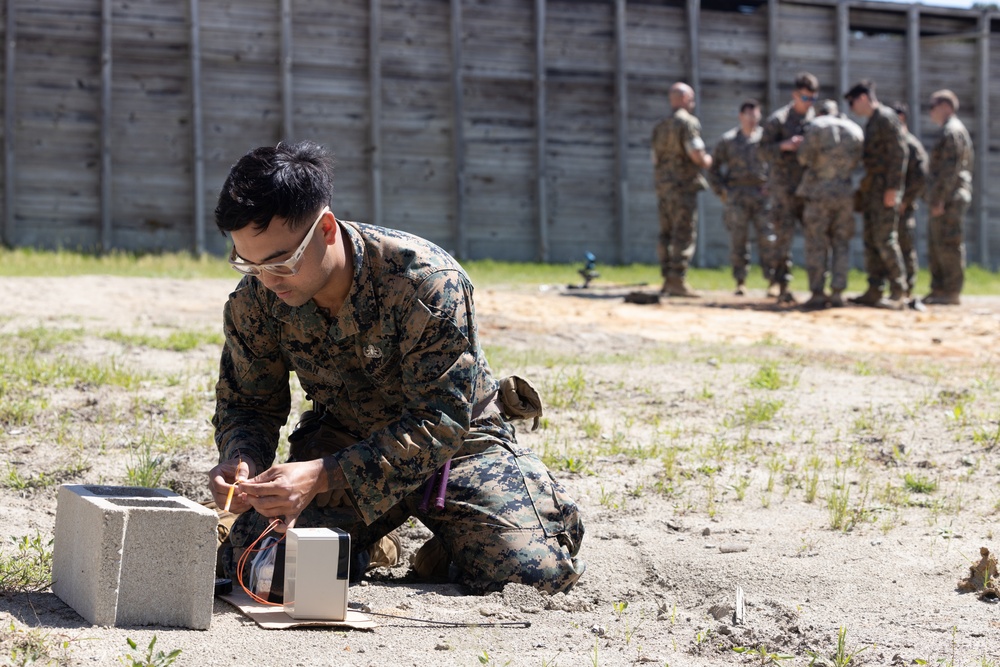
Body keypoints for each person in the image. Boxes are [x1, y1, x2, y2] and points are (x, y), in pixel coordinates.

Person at [207, 141, 585, 595]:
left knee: (531, 574)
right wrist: (242, 460)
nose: (268, 280)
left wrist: (322, 475)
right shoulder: (256, 300)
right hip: (347, 438)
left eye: (281, 262)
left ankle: (501, 523)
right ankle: (367, 542)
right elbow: (249, 404)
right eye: (248, 263)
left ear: (326, 229)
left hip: (457, 447)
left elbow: (440, 423)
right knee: (261, 568)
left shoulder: (426, 283)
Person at [844, 80, 908, 310]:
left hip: (884, 189)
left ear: (862, 98)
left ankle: (899, 291)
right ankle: (875, 289)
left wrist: (893, 188)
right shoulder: (873, 121)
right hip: (873, 188)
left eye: (852, 103)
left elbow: (899, 153)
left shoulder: (886, 117)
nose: (852, 109)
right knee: (871, 239)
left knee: (885, 239)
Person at [795, 99, 864, 309]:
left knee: (816, 243)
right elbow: (859, 161)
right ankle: (837, 292)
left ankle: (817, 292)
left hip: (818, 194)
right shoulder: (855, 130)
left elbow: (803, 158)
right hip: (844, 194)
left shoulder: (816, 127)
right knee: (841, 242)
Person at [760, 71, 819, 304]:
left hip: (810, 189)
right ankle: (781, 285)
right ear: (795, 95)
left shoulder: (818, 121)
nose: (809, 104)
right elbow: (762, 151)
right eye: (805, 98)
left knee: (816, 238)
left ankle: (817, 287)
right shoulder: (779, 120)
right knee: (782, 237)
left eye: (813, 99)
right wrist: (783, 145)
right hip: (784, 189)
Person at [707, 99, 776, 296]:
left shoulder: (765, 140)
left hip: (762, 196)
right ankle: (740, 281)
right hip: (737, 195)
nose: (753, 120)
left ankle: (772, 281)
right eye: (749, 116)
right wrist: (721, 191)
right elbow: (713, 168)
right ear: (741, 116)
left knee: (768, 239)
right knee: (739, 240)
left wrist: (772, 187)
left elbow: (777, 166)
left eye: (756, 116)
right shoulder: (728, 140)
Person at [651, 81, 713, 298]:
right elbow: (695, 152)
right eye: (692, 98)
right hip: (683, 187)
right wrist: (707, 161)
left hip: (663, 187)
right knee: (683, 233)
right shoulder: (688, 123)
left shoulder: (660, 126)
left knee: (665, 233)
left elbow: (654, 158)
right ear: (685, 99)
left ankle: (667, 278)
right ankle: (677, 280)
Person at [924, 89, 973, 306]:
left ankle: (950, 291)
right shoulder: (949, 130)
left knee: (948, 243)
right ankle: (940, 288)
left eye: (933, 106)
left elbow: (949, 170)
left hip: (949, 198)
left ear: (946, 106)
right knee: (938, 243)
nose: (930, 111)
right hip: (947, 196)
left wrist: (939, 199)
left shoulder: (952, 131)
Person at [891, 101, 929, 300]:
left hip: (904, 207)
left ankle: (908, 288)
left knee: (905, 245)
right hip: (891, 206)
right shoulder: (894, 142)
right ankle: (896, 287)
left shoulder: (911, 144)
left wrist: (906, 200)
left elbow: (921, 176)